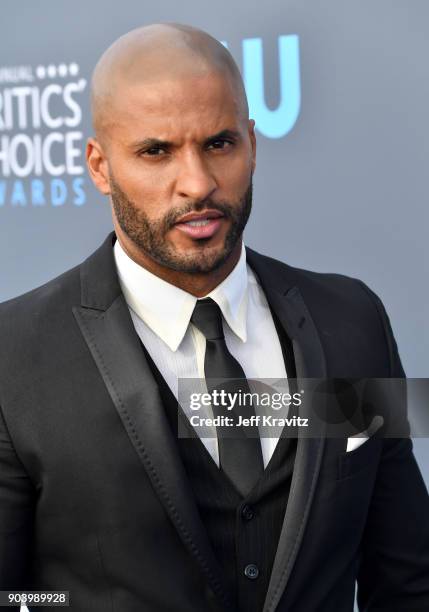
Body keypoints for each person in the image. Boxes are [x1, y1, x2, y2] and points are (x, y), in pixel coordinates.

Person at [0, 22, 428, 612]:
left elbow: (406, 581)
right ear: (100, 166)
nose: (198, 184)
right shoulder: (13, 355)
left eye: (219, 143)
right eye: (156, 151)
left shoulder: (353, 322)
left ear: (253, 143)